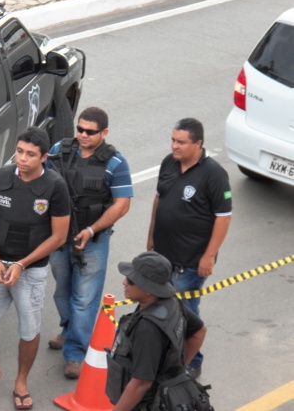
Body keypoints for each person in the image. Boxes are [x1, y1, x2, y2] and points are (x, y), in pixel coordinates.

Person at [0, 128, 70, 410]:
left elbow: (59, 236)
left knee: (29, 331)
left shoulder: (56, 186)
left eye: (30, 154)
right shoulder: (3, 176)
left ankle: (21, 382)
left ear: (44, 157)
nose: (22, 158)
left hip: (31, 271)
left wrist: (22, 264)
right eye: (20, 151)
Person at [46, 106, 133, 379]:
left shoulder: (115, 163)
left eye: (90, 132)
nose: (83, 135)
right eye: (80, 129)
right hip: (59, 237)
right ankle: (69, 330)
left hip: (93, 240)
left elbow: (122, 204)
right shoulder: (60, 149)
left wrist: (91, 229)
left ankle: (75, 353)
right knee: (62, 291)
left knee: (84, 298)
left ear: (104, 133)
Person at [147, 117, 232, 379]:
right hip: (163, 256)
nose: (174, 146)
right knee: (161, 308)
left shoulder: (214, 175)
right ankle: (165, 354)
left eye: (181, 142)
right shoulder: (168, 163)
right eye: (173, 140)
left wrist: (209, 256)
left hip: (190, 263)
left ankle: (192, 361)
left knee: (185, 312)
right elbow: (159, 200)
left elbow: (223, 217)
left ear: (198, 144)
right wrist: (151, 238)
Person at [106, 251, 207, 411]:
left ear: (149, 289)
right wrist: (177, 372)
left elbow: (141, 383)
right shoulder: (171, 302)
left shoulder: (147, 329)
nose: (124, 282)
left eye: (131, 280)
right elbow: (199, 332)